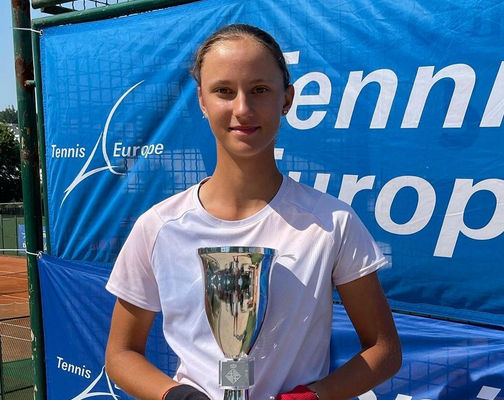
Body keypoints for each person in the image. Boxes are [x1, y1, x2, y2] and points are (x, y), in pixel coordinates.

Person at [104, 23, 401, 400]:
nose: (242, 109)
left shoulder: (332, 223)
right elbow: (121, 354)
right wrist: (178, 396)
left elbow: (383, 350)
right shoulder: (159, 226)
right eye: (224, 91)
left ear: (286, 99)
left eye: (259, 90)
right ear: (202, 100)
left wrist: (308, 398)